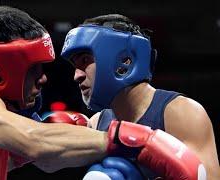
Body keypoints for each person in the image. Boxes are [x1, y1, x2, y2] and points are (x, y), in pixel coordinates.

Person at [0, 6, 206, 180]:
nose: (44, 79)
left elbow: (42, 157)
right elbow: (36, 143)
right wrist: (139, 141)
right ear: (1, 68)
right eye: (34, 69)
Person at [61, 14, 220, 179]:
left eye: (85, 60)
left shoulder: (182, 113)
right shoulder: (96, 123)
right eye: (75, 65)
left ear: (124, 61)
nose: (76, 75)